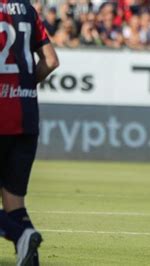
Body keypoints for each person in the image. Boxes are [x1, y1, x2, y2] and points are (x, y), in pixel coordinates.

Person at [0, 0, 60, 265]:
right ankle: (27, 248)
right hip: (26, 116)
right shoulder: (27, 9)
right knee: (14, 202)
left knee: (18, 222)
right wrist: (23, 85)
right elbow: (51, 61)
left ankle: (21, 235)